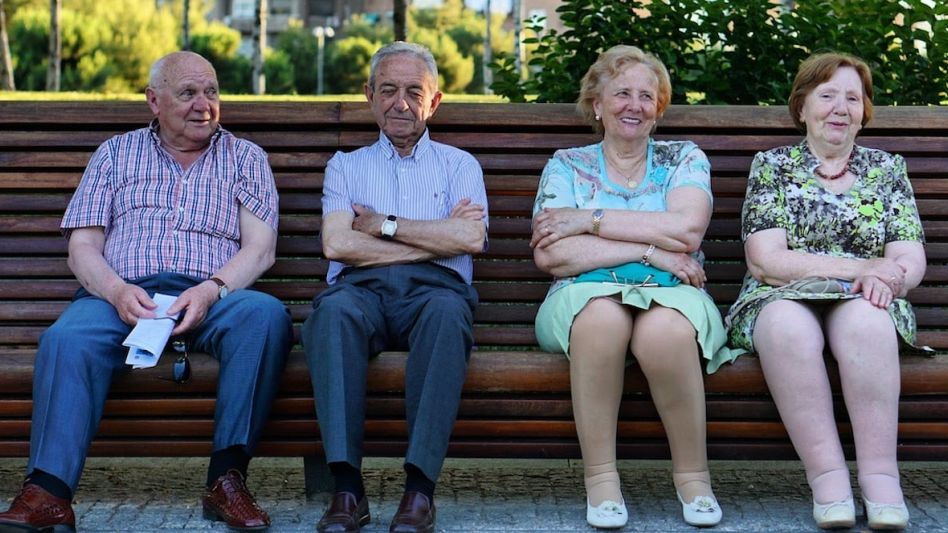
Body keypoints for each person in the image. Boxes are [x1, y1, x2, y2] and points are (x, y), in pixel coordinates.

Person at [0, 51, 293, 532]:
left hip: (210, 297)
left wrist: (211, 290)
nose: (204, 104)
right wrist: (116, 291)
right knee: (65, 339)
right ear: (154, 101)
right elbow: (83, 247)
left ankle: (226, 481)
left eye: (212, 91)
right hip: (119, 296)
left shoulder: (246, 158)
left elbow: (260, 249)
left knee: (265, 316)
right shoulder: (116, 153)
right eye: (188, 93)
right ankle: (47, 495)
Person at [530, 45, 739, 529]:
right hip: (581, 294)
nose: (635, 105)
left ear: (658, 109)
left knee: (666, 332)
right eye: (622, 93)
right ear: (597, 104)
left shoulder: (683, 158)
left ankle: (694, 479)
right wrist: (650, 251)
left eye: (647, 96)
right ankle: (601, 481)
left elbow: (686, 232)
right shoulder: (567, 164)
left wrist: (589, 219)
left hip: (675, 293)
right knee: (601, 319)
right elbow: (553, 254)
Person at [725, 52, 927, 531]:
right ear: (802, 107)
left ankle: (881, 480)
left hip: (867, 297)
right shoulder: (772, 166)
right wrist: (864, 267)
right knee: (786, 327)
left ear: (864, 112)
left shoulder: (886, 168)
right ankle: (829, 481)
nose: (840, 108)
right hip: (780, 295)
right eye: (827, 95)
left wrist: (891, 277)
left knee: (867, 323)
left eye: (852, 98)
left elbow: (908, 255)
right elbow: (766, 260)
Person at [302, 41, 487, 533]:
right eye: (387, 90)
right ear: (369, 95)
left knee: (448, 317)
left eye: (413, 92)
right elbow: (337, 245)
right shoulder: (346, 165)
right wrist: (435, 238)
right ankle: (347, 491)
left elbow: (470, 238)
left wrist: (382, 225)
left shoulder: (459, 165)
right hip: (359, 290)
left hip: (436, 293)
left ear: (434, 101)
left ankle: (419, 493)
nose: (400, 103)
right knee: (331, 315)